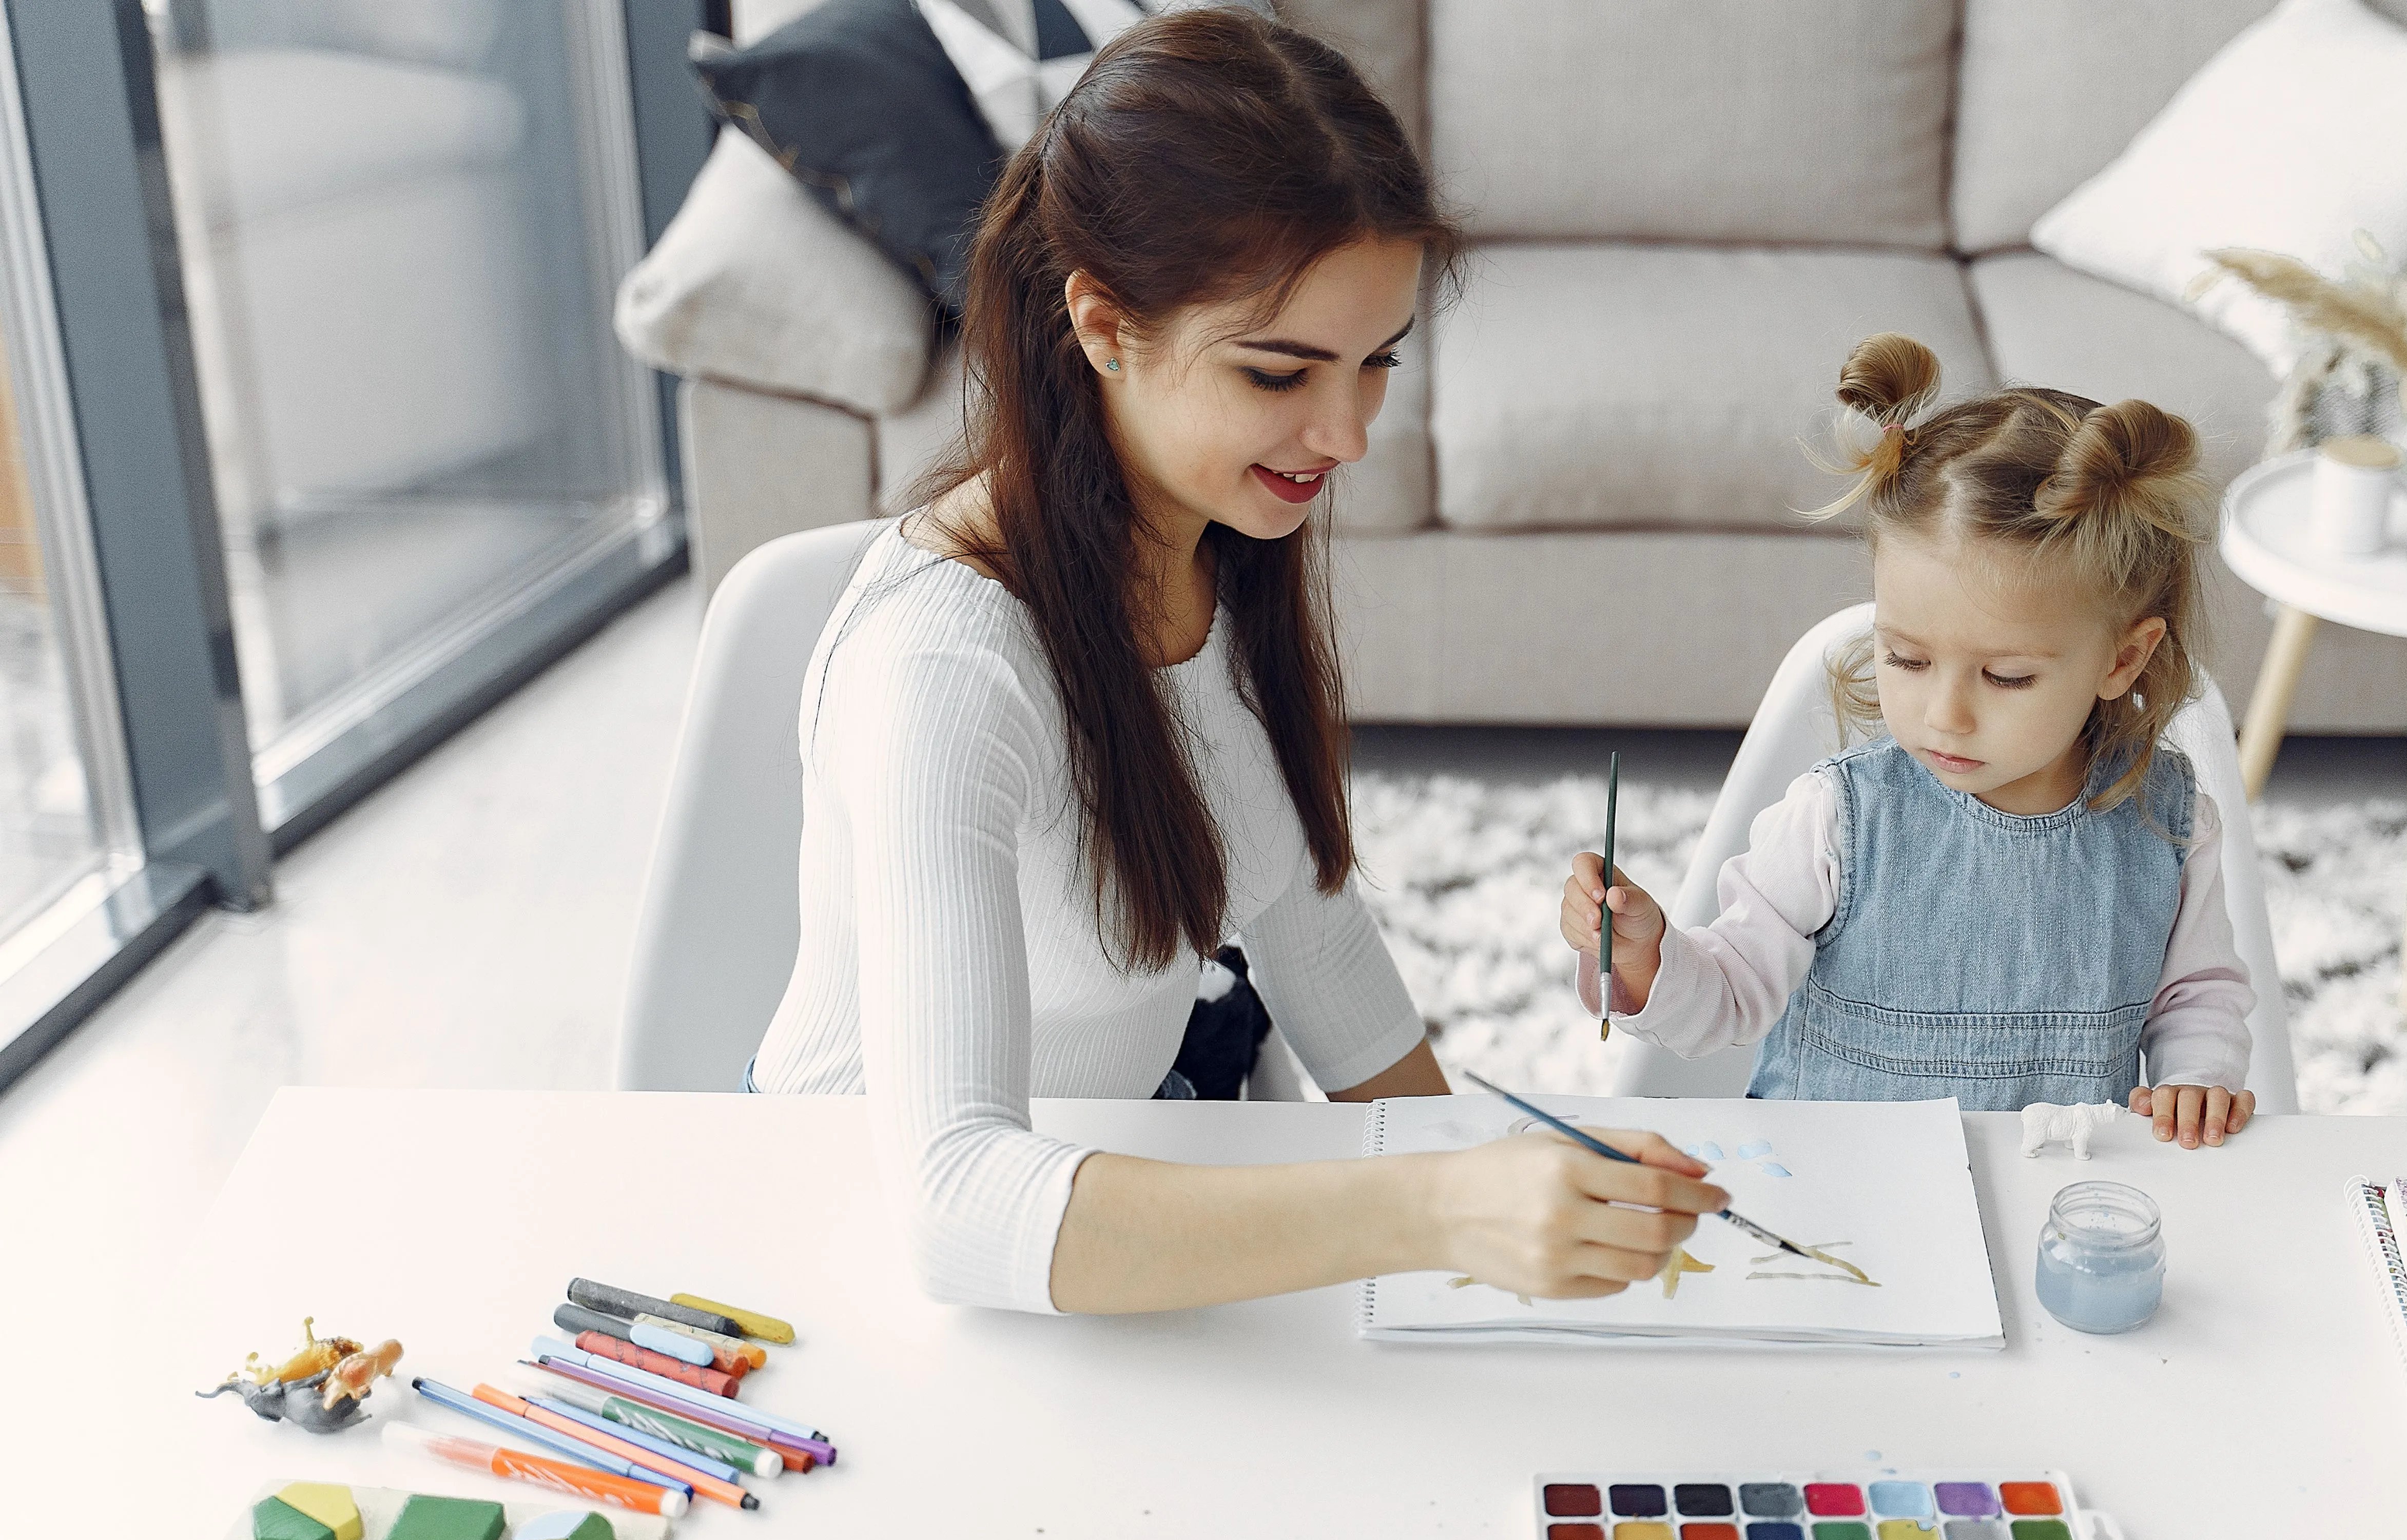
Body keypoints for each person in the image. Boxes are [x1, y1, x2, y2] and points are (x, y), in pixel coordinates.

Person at [751, 10, 1725, 1312]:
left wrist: (1486, 1183)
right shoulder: (947, 668)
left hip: (1113, 1179)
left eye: (1376, 362)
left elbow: (1305, 923)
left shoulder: (1211, 535)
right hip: (870, 1278)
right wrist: (1439, 1207)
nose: (1348, 433)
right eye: (1280, 373)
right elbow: (950, 1203)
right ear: (1101, 325)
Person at [1561, 333, 2260, 1148]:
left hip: (2052, 1199)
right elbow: (1729, 994)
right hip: (1838, 1197)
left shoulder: (2170, 824)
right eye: (1907, 659)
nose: (1945, 716)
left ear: (2122, 658)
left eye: (2005, 677)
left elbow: (2198, 997)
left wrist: (2196, 1080)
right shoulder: (1836, 819)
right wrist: (1646, 955)